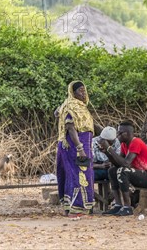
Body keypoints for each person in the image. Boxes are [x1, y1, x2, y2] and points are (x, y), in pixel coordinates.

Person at [101, 121, 147, 216]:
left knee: (123, 171)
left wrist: (109, 149)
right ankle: (118, 205)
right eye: (118, 133)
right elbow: (117, 163)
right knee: (112, 170)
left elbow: (126, 163)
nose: (118, 135)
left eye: (120, 133)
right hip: (140, 175)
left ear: (128, 133)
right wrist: (107, 153)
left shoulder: (136, 142)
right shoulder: (124, 145)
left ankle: (127, 207)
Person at [55, 81, 95, 218]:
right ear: (73, 93)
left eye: (84, 90)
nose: (83, 93)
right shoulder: (70, 107)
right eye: (80, 91)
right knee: (78, 176)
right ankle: (77, 209)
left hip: (82, 145)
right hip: (74, 147)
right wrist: (80, 148)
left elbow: (89, 126)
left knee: (75, 175)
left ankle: (70, 208)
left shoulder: (81, 107)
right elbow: (71, 129)